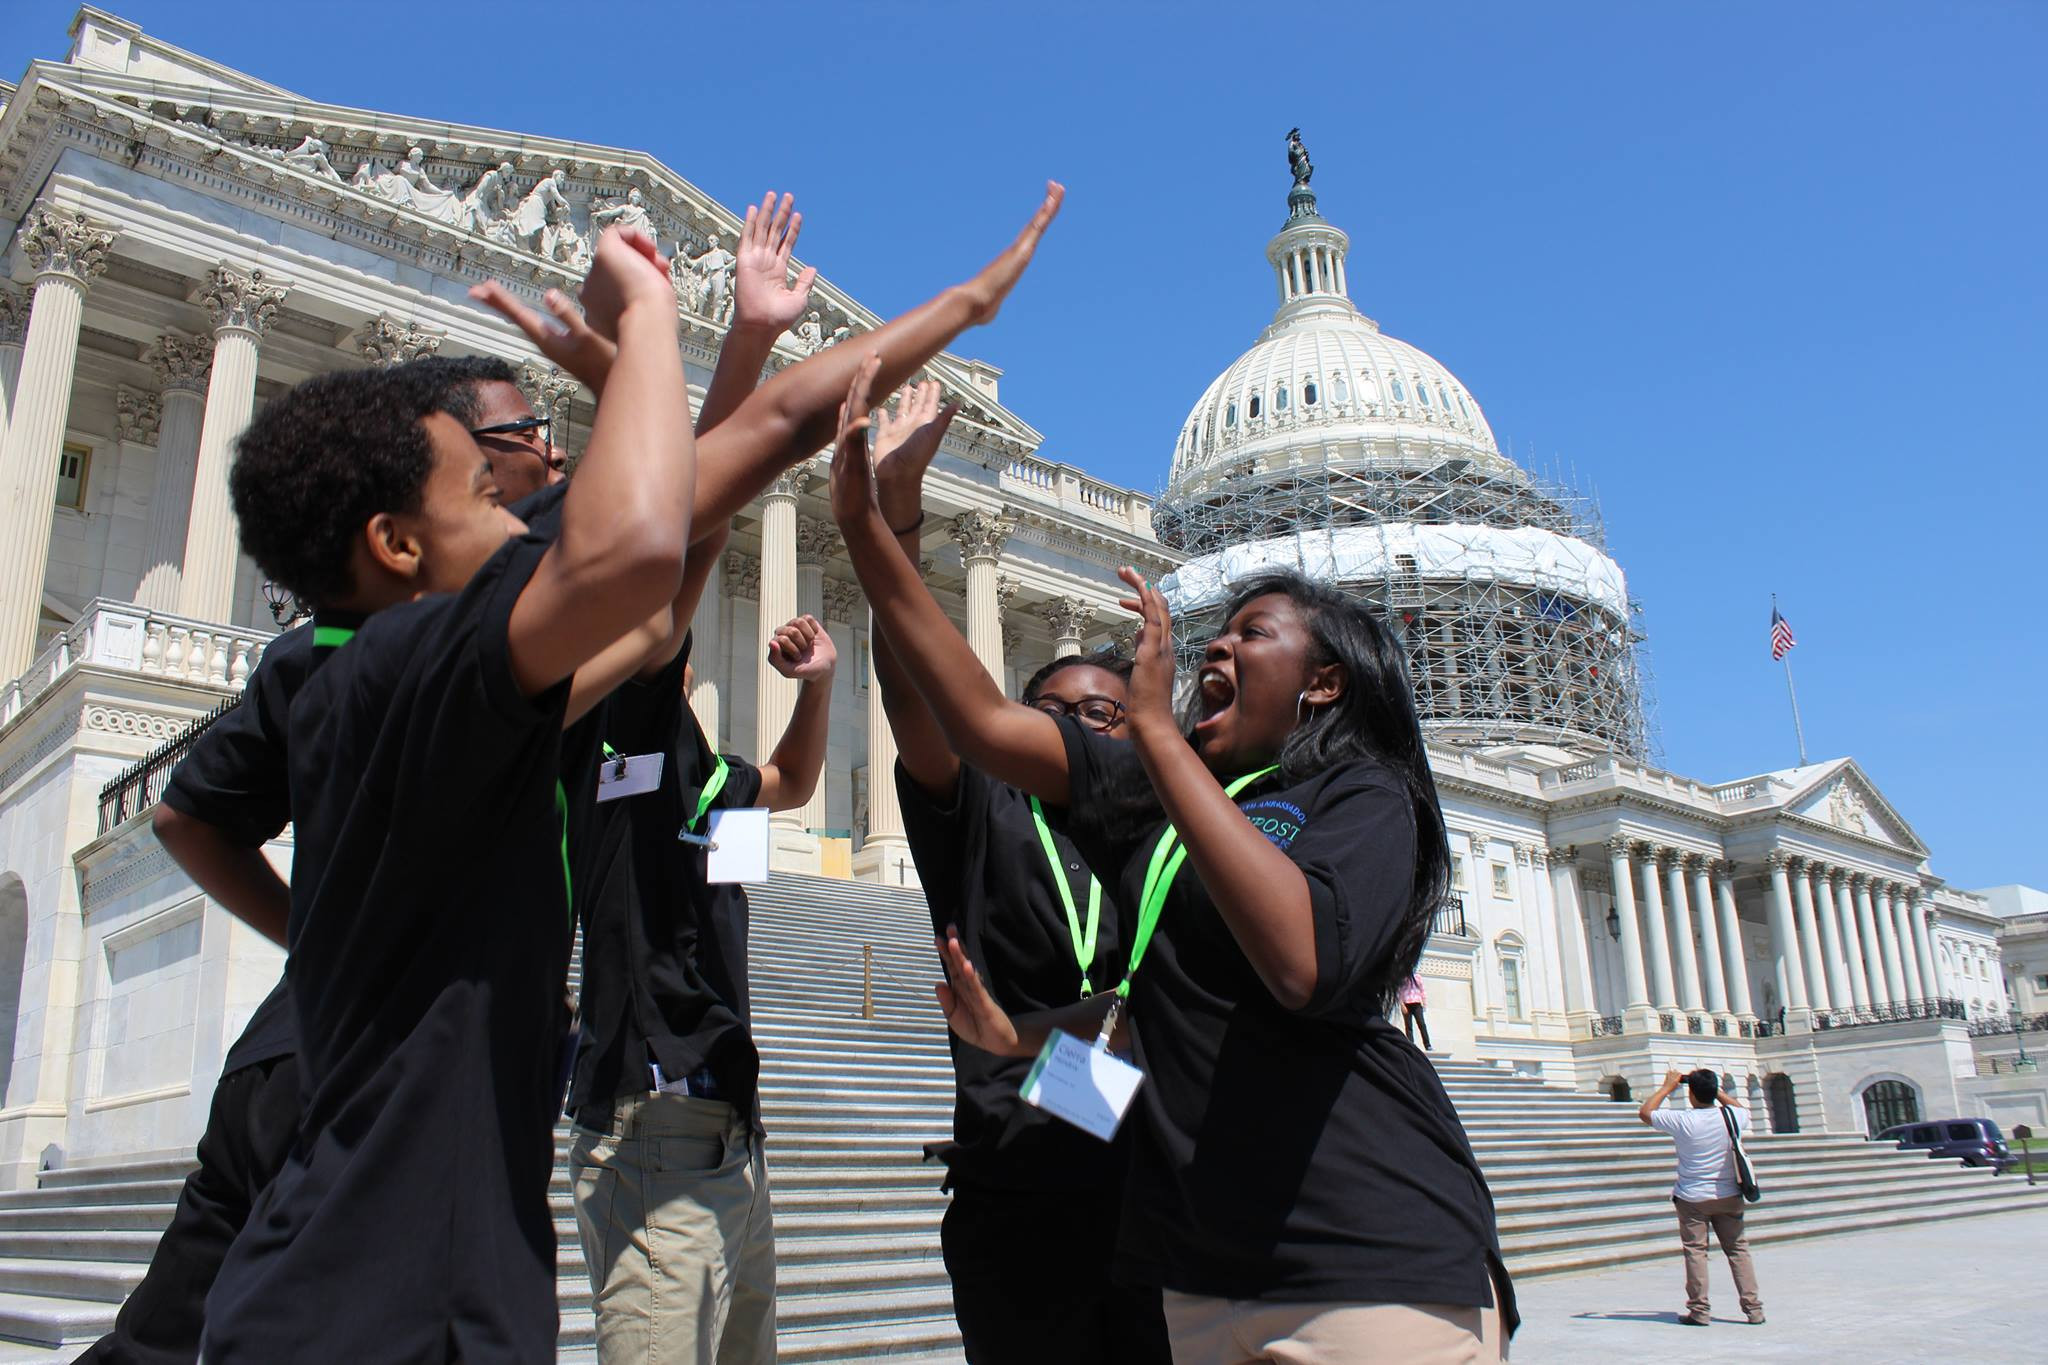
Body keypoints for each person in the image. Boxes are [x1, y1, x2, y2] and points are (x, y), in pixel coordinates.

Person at [830, 355, 1515, 1361]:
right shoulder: (1067, 808)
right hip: (1137, 1231)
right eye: (1059, 717)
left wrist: (1152, 734)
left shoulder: (1340, 799)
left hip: (1316, 1231)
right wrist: (878, 523)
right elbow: (956, 713)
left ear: (1324, 684)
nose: (1212, 657)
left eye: (1251, 633)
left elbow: (1262, 976)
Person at [203, 225, 699, 1362]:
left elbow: (654, 607)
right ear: (396, 543)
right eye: (491, 483)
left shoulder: (372, 688)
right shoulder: (386, 677)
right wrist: (648, 332)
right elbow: (634, 556)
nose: (524, 508)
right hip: (372, 1308)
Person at [863, 381, 1168, 1364]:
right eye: (1054, 708)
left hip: (1149, 1191)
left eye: (1104, 713)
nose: (1080, 724)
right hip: (1021, 1192)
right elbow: (912, 686)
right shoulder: (985, 808)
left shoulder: (1155, 842)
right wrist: (895, 518)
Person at [74, 624, 311, 1365]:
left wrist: (312, 938)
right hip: (380, 1064)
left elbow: (182, 817)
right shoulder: (491, 645)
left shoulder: (310, 650)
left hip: (275, 1050)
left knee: (155, 1340)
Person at [1638, 1067, 1765, 1327]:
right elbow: (1739, 1108)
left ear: (1691, 1094)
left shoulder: (1684, 1120)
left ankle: (1699, 1310)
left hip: (1692, 1198)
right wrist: (1715, 1090)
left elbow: (1645, 1112)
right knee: (1739, 1251)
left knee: (1696, 1253)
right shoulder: (1732, 1116)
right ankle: (1754, 1309)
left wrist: (1667, 1087)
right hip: (1729, 1194)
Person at [1398, 972, 1432, 1049]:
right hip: (1406, 1003)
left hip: (1417, 1003)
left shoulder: (1417, 976)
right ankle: (1410, 1044)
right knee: (1408, 1026)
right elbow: (1399, 991)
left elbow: (1422, 990)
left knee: (1422, 1024)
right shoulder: (1402, 977)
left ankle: (1427, 1044)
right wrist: (1402, 1005)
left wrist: (1424, 1002)